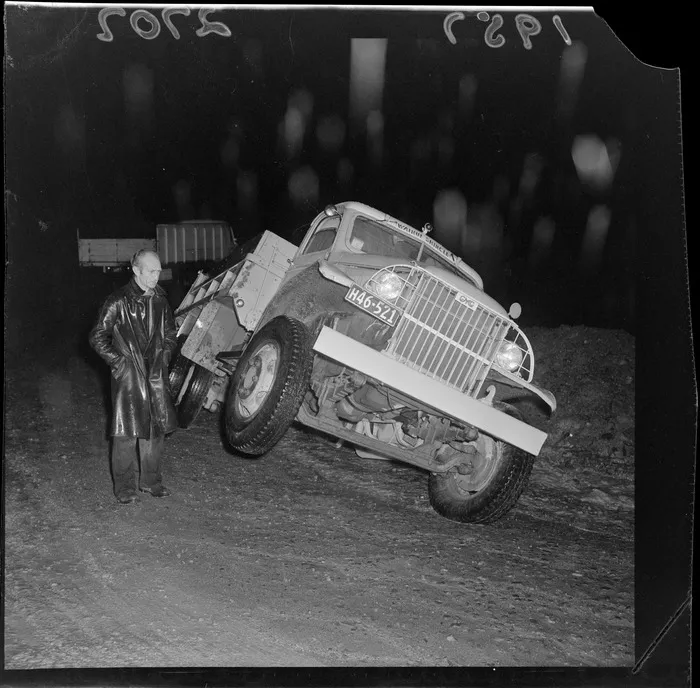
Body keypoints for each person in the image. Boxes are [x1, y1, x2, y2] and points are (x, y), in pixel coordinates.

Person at [90, 249, 178, 504]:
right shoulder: (117, 301)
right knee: (126, 431)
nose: (156, 275)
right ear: (136, 270)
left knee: (155, 429)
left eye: (158, 270)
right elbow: (97, 336)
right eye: (151, 271)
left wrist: (165, 354)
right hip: (129, 375)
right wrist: (119, 363)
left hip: (155, 374)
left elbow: (171, 333)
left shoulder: (161, 299)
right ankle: (125, 488)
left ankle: (151, 482)